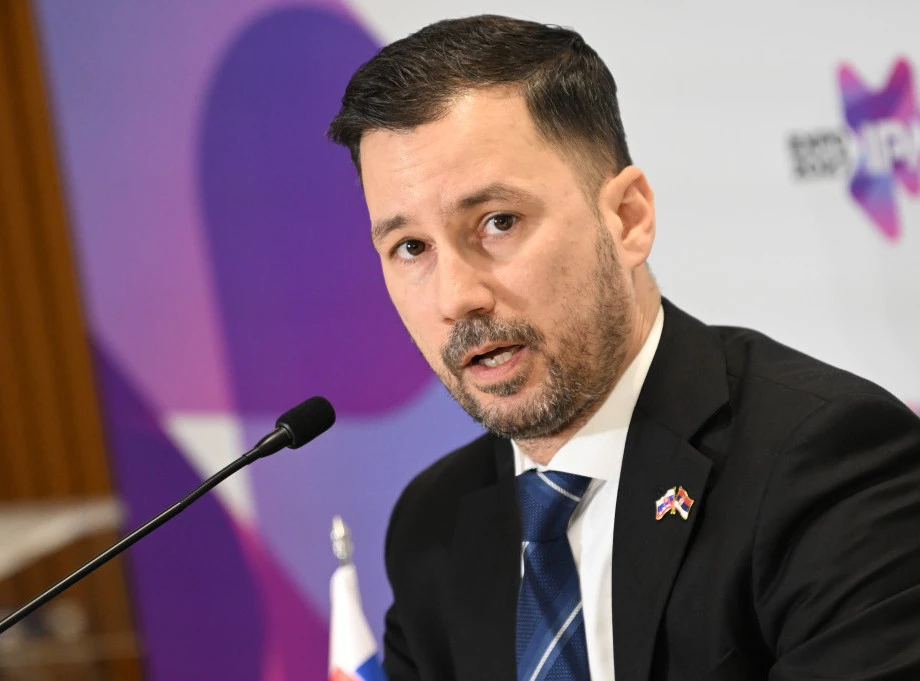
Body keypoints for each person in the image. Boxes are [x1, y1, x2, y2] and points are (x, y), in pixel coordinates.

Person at [327, 14, 920, 681]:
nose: (456, 296)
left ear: (628, 218)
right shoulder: (434, 527)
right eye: (410, 247)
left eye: (498, 222)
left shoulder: (825, 464)